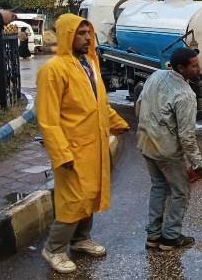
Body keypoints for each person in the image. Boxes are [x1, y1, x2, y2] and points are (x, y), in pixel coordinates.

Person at [36, 14, 130, 274]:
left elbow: (98, 104)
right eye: (81, 33)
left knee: (90, 195)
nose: (88, 38)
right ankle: (53, 249)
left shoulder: (90, 64)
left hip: (95, 145)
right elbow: (47, 118)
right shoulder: (53, 70)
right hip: (72, 149)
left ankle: (79, 240)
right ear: (67, 35)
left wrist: (118, 123)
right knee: (74, 199)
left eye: (89, 32)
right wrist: (60, 152)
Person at [136, 47, 202, 251]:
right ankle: (170, 238)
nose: (199, 69)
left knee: (159, 187)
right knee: (180, 192)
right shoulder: (186, 95)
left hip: (146, 144)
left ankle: (153, 236)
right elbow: (187, 137)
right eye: (194, 65)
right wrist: (199, 164)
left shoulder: (156, 76)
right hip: (167, 151)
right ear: (181, 68)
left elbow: (139, 104)